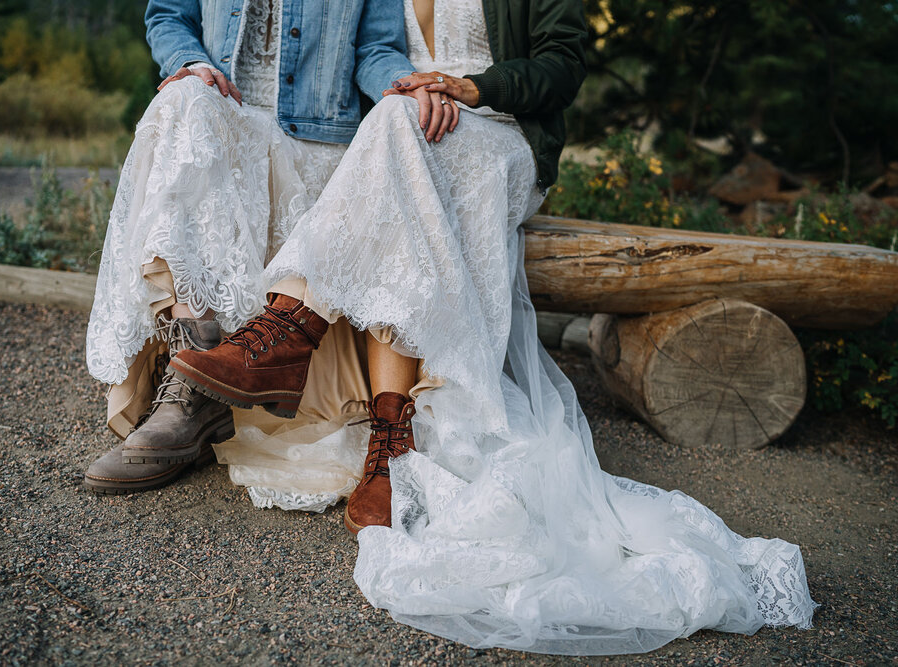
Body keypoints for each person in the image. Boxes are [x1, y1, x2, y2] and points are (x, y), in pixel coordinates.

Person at [166, 0, 818, 655]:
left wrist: (473, 88)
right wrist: (405, 91)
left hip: (499, 136)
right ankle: (386, 442)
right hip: (405, 131)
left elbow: (562, 67)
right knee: (394, 136)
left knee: (396, 137)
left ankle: (290, 329)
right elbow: (369, 56)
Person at [83, 0, 460, 493]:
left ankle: (211, 386)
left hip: (316, 143)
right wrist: (191, 63)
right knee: (181, 100)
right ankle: (190, 391)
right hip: (227, 124)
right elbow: (168, 15)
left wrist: (406, 87)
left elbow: (376, 49)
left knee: (194, 112)